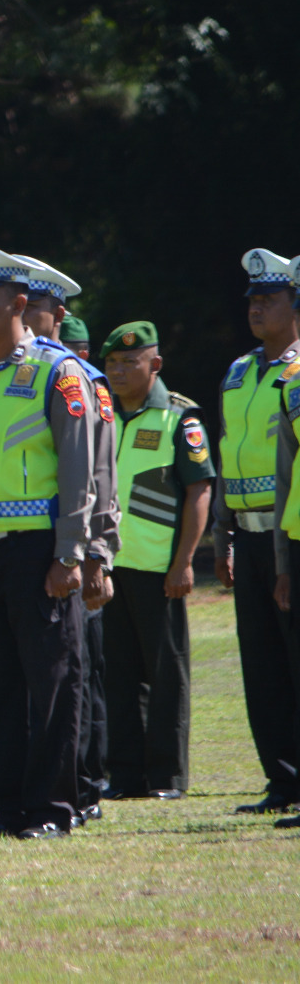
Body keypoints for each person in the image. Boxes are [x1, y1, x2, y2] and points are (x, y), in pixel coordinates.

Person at [0, 242, 96, 841]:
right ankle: (9, 806)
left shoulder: (60, 373)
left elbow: (79, 470)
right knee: (0, 686)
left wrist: (70, 553)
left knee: (52, 682)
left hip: (38, 551)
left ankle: (55, 807)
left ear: (20, 303)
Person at [17, 257, 119, 825]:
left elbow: (98, 476)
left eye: (35, 307)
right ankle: (45, 790)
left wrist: (98, 553)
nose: (25, 316)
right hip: (27, 548)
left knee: (72, 675)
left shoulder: (74, 376)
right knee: (40, 678)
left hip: (71, 549)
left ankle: (80, 791)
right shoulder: (10, 375)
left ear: (57, 314)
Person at [101, 321, 211, 801]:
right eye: (112, 363)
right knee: (118, 676)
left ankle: (167, 777)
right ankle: (126, 776)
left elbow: (199, 491)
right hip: (109, 569)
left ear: (156, 365)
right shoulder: (102, 413)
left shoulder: (178, 419)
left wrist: (184, 561)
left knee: (166, 675)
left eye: (130, 361)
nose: (119, 370)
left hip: (158, 570)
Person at [214, 248, 300, 815]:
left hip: (287, 531)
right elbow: (227, 451)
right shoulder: (240, 370)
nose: (257, 309)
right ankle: (282, 778)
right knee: (261, 663)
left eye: (269, 299)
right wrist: (221, 533)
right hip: (246, 532)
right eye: (253, 300)